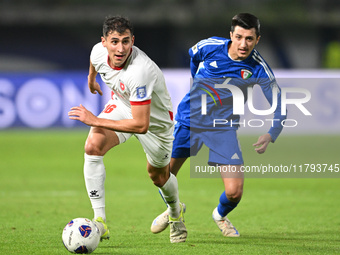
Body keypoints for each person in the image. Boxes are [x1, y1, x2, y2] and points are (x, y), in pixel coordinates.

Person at [150, 13, 286, 237]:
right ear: (231, 35)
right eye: (239, 37)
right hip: (189, 120)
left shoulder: (258, 67)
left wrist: (272, 133)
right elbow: (192, 56)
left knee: (234, 192)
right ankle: (174, 210)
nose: (243, 44)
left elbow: (280, 103)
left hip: (223, 127)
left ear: (257, 40)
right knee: (161, 176)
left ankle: (220, 214)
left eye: (249, 39)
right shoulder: (209, 46)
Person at [68, 16, 187, 243]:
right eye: (114, 42)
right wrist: (91, 79)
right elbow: (94, 61)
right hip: (124, 105)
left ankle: (175, 213)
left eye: (125, 41)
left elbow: (140, 125)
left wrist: (95, 120)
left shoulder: (140, 71)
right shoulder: (97, 51)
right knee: (93, 146)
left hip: (155, 123)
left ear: (133, 40)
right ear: (104, 42)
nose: (120, 48)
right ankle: (100, 221)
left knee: (158, 176)